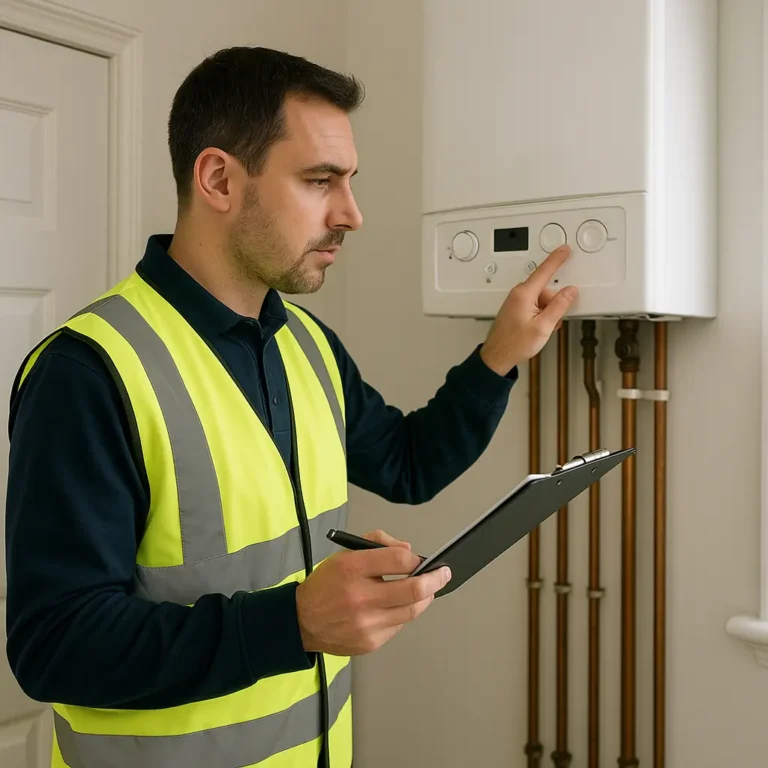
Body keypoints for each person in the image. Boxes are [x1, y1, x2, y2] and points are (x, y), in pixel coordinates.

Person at [4, 47, 577, 768]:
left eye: (348, 181)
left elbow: (407, 465)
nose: (353, 214)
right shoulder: (88, 372)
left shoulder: (306, 343)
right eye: (319, 181)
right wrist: (295, 621)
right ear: (218, 178)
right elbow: (55, 646)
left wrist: (501, 355)